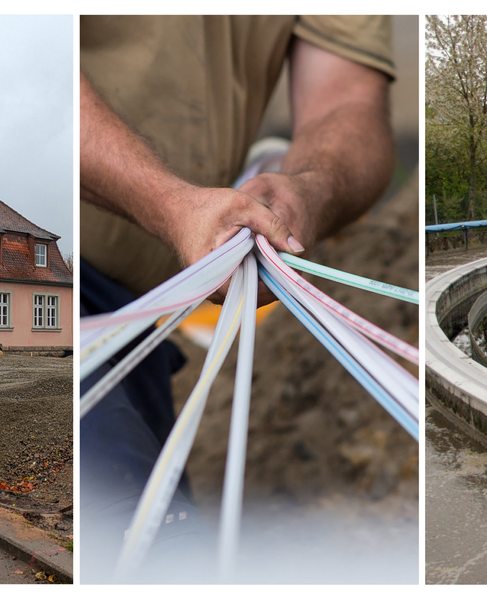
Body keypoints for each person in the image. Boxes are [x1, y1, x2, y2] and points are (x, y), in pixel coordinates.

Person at [79, 15, 397, 582]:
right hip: (67, 294)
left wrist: (306, 190)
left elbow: (348, 101)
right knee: (153, 546)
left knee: (167, 542)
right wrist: (171, 202)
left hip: (141, 325)